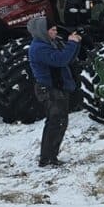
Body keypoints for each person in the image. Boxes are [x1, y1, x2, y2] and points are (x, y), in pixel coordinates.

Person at [27, 16, 81, 167]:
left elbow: (68, 58)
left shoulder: (51, 43)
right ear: (42, 31)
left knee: (60, 122)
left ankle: (51, 157)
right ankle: (47, 159)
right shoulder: (39, 48)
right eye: (52, 29)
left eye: (55, 29)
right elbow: (61, 60)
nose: (55, 32)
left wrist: (75, 44)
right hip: (50, 90)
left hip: (57, 88)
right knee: (55, 122)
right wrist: (71, 43)